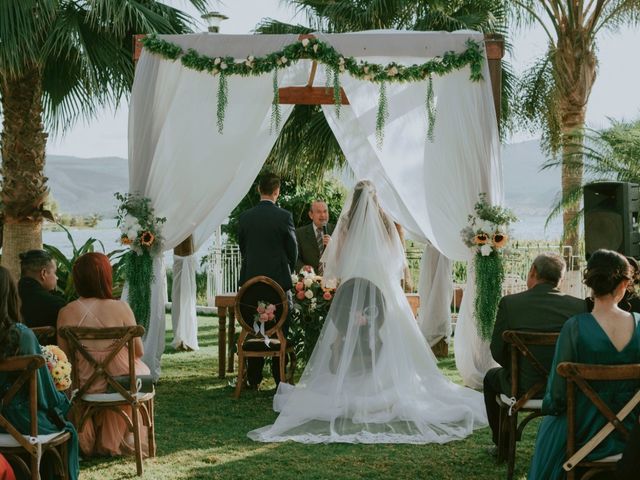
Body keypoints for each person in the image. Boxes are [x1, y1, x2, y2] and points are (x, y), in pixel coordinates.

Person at [248, 180, 487, 444]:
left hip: (351, 287)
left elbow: (333, 264)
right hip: (382, 290)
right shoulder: (386, 225)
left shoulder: (346, 224)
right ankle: (384, 382)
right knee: (391, 332)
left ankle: (349, 376)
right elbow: (397, 261)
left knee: (346, 331)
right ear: (376, 202)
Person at [528, 249, 640, 480]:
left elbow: (557, 396)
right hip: (633, 436)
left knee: (551, 427)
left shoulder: (574, 327)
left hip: (581, 433)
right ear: (623, 285)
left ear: (591, 283)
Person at [483, 253, 586, 451]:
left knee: (490, 378)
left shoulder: (510, 304)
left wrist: (518, 371)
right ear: (560, 279)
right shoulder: (579, 306)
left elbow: (497, 351)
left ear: (533, 271)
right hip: (567, 386)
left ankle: (502, 446)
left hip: (522, 386)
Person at [57, 252, 151, 457]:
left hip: (83, 383)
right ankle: (117, 439)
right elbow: (138, 351)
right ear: (105, 277)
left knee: (99, 375)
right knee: (138, 371)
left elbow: (63, 357)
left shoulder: (66, 312)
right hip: (118, 384)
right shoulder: (121, 308)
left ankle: (90, 439)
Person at [0, 266, 79, 480]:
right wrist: (65, 399)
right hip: (21, 422)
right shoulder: (20, 334)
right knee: (67, 423)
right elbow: (45, 394)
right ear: (10, 294)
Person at [238, 172, 298, 389]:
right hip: (279, 285)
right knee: (281, 326)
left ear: (258, 190)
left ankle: (253, 378)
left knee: (253, 326)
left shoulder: (244, 218)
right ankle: (279, 376)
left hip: (250, 286)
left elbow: (243, 248)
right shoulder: (284, 217)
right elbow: (293, 250)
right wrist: (285, 267)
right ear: (277, 191)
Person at [18, 249, 66, 329]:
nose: (56, 278)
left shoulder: (7, 298)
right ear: (43, 273)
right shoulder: (56, 305)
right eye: (54, 273)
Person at [295, 200, 334, 274]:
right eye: (319, 212)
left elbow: (344, 256)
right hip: (309, 280)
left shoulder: (336, 231)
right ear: (311, 215)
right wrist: (302, 268)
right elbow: (295, 258)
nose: (323, 215)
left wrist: (333, 246)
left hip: (332, 280)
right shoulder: (299, 233)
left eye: (325, 211)